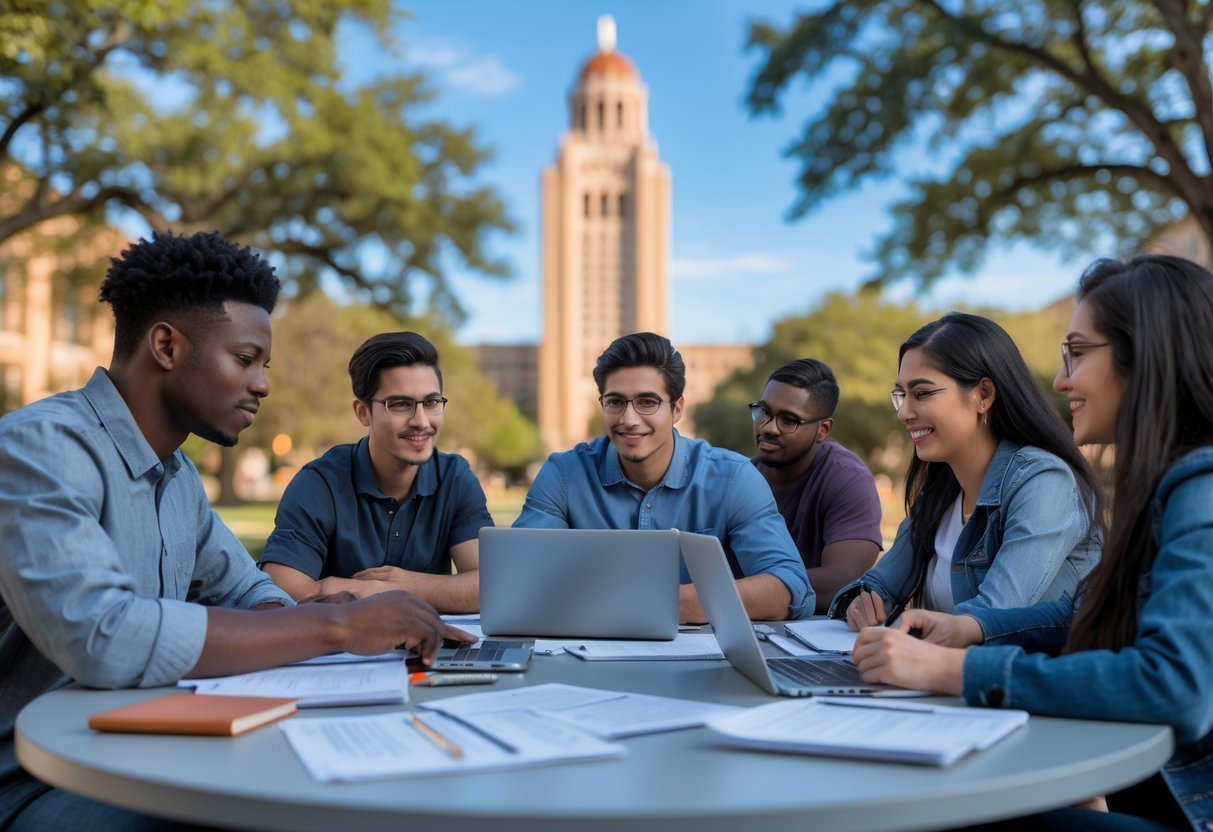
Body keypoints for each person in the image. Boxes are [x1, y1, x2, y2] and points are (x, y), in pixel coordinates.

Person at [0, 231, 471, 830]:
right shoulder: (41, 447)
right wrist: (336, 623)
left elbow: (249, 593)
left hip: (146, 751)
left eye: (263, 365)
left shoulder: (179, 479)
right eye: (245, 359)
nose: (263, 385)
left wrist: (342, 612)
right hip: (35, 780)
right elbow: (104, 635)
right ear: (167, 346)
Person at [853, 254, 1213, 831]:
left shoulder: (1201, 487)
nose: (1060, 378)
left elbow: (1175, 685)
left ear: (1144, 355)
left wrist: (954, 671)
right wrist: (970, 629)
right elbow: (1081, 613)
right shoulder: (1162, 486)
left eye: (1077, 352)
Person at [829, 312, 1103, 629]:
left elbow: (990, 619)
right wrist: (863, 605)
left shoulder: (1044, 482)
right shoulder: (940, 492)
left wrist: (903, 634)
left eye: (922, 394)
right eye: (901, 395)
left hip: (1013, 676)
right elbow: (878, 586)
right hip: (926, 674)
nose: (904, 412)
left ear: (983, 395)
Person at [514, 332, 812, 622]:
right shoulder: (564, 475)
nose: (629, 420)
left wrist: (667, 602)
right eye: (615, 402)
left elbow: (791, 588)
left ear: (677, 408)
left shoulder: (733, 477)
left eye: (647, 402)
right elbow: (515, 576)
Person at [260, 332, 491, 612]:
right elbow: (281, 591)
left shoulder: (455, 478)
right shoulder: (320, 483)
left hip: (430, 650)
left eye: (431, 403)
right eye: (400, 404)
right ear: (363, 413)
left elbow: (490, 586)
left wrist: (397, 587)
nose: (421, 421)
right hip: (339, 651)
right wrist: (437, 591)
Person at [751, 358, 883, 613]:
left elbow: (841, 582)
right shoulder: (740, 478)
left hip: (815, 643)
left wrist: (741, 592)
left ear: (822, 430)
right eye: (764, 412)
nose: (768, 427)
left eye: (788, 420)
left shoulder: (848, 479)